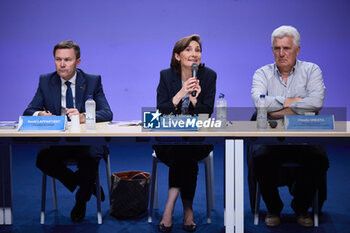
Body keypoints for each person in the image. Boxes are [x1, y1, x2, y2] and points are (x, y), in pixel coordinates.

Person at [23, 40, 113, 222]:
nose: (62, 64)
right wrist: (40, 113)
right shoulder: (46, 81)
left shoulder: (92, 80)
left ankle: (81, 200)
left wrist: (83, 116)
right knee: (42, 159)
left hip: (87, 142)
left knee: (90, 158)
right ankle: (86, 184)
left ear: (78, 62)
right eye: (58, 59)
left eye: (67, 60)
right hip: (59, 142)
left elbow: (107, 113)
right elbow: (28, 111)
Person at [250, 25, 329, 227]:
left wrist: (275, 109)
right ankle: (273, 208)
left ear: (298, 50)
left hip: (304, 137)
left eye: (286, 48)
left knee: (319, 159)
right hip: (272, 139)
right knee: (259, 158)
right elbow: (259, 104)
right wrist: (297, 103)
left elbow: (316, 102)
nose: (281, 53)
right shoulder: (262, 73)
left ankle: (301, 206)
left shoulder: (312, 70)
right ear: (272, 50)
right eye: (277, 48)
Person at [153, 34, 216, 232]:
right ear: (177, 56)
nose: (194, 54)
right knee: (183, 153)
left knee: (186, 151)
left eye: (197, 50)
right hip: (168, 141)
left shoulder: (208, 76)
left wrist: (194, 98)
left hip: (198, 140)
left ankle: (169, 207)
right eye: (188, 49)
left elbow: (207, 112)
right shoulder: (166, 75)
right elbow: (161, 109)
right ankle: (187, 211)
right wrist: (181, 93)